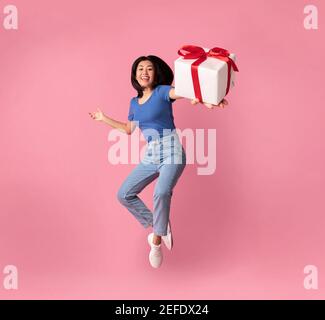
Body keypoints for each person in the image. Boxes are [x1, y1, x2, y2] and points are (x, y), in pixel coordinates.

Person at [89, 55, 228, 268]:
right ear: (135, 75)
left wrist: (211, 98)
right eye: (140, 69)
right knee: (124, 194)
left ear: (156, 74)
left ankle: (156, 241)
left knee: (161, 192)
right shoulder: (134, 103)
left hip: (172, 151)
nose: (144, 72)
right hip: (151, 155)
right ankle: (157, 225)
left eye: (149, 69)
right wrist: (103, 118)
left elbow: (183, 92)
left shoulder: (163, 92)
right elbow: (128, 130)